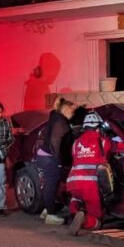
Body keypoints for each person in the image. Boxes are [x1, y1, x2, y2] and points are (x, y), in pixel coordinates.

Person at [66, 112, 113, 236]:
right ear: (97, 128)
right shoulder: (102, 141)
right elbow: (109, 152)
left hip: (73, 182)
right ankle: (86, 220)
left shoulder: (75, 143)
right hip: (90, 185)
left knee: (76, 199)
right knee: (96, 220)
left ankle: (74, 213)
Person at [36, 97, 77, 226]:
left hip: (44, 155)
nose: (73, 114)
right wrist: (59, 160)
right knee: (51, 185)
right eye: (72, 110)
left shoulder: (55, 117)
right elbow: (55, 142)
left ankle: (47, 209)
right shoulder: (60, 122)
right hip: (50, 157)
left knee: (49, 184)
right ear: (66, 109)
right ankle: (51, 215)